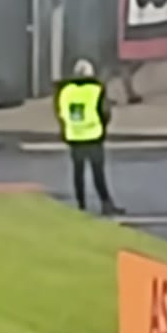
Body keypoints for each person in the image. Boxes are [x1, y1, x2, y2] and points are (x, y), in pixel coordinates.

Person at [56, 57, 120, 215]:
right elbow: (105, 112)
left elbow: (62, 113)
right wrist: (103, 126)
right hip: (93, 136)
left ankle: (81, 205)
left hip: (75, 136)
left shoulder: (65, 91)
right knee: (98, 171)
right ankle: (106, 203)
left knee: (78, 172)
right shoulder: (96, 89)